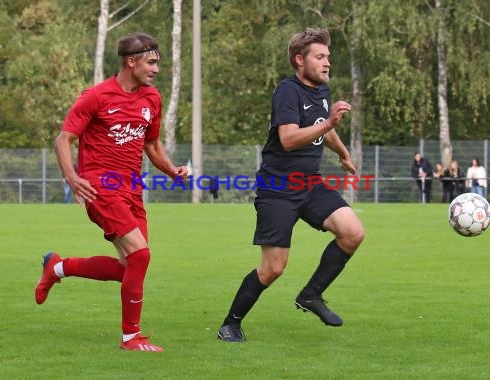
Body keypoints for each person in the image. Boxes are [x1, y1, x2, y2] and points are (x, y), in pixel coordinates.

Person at [34, 32, 188, 352]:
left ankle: (58, 267)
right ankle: (131, 338)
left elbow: (152, 145)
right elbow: (63, 140)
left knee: (128, 267)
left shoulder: (152, 98)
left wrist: (172, 170)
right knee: (141, 255)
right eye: (151, 63)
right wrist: (72, 177)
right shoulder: (96, 96)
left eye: (157, 63)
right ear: (131, 62)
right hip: (100, 186)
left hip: (131, 189)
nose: (156, 69)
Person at [217, 28, 365, 343]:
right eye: (320, 57)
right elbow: (287, 139)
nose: (327, 63)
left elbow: (322, 128)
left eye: (328, 57)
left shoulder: (321, 91)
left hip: (309, 184)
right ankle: (230, 323)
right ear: (300, 60)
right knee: (273, 268)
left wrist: (343, 153)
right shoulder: (288, 91)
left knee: (352, 231)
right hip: (278, 189)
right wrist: (329, 124)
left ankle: (311, 294)